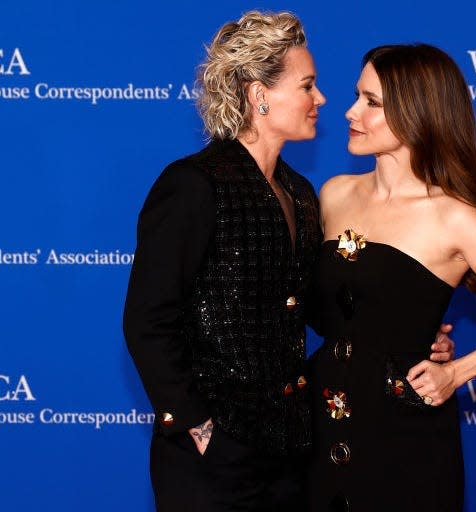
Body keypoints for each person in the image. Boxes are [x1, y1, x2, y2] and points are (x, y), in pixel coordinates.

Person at [123, 13, 453, 511]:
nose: (321, 99)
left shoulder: (300, 193)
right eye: (308, 86)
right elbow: (148, 318)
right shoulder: (193, 184)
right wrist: (196, 423)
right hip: (213, 455)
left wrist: (405, 329)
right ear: (259, 96)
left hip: (294, 451)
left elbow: (320, 310)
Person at [308, 44, 476, 511]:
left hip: (403, 434)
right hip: (319, 423)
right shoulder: (333, 194)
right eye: (357, 96)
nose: (349, 112)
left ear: (417, 112)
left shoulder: (456, 219)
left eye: (372, 102)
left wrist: (455, 372)